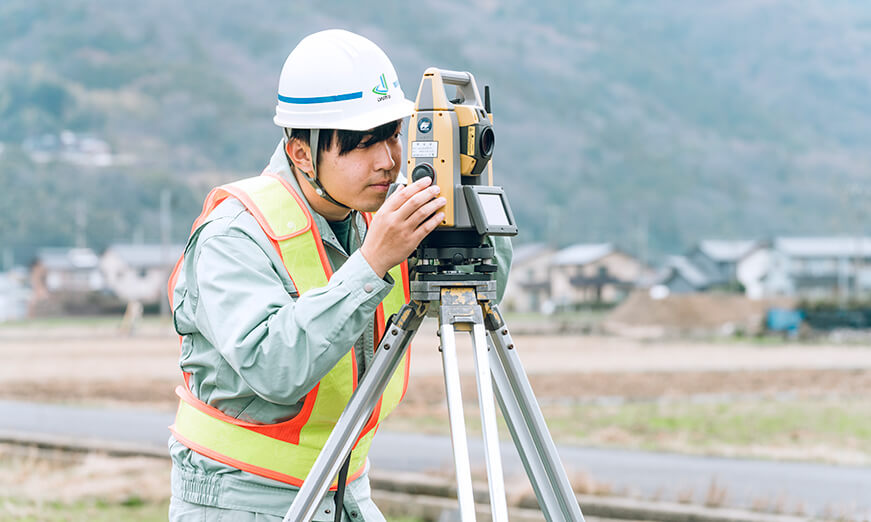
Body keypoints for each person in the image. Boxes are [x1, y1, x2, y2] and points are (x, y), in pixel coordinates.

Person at [166, 29, 512, 521]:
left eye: (393, 135)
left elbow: (488, 291)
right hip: (242, 499)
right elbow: (273, 366)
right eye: (362, 145)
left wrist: (469, 192)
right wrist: (371, 264)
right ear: (302, 152)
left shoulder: (379, 216)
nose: (388, 161)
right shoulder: (233, 235)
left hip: (346, 492)